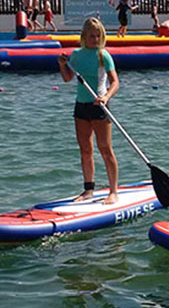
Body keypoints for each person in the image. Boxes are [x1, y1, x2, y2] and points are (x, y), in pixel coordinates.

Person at [57, 17, 122, 205]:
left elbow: (115, 82)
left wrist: (106, 97)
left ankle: (113, 191)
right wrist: (62, 65)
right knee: (85, 150)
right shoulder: (76, 55)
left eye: (98, 36)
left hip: (99, 106)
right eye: (91, 36)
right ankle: (88, 190)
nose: (94, 39)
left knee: (105, 149)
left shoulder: (104, 55)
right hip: (81, 107)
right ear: (84, 36)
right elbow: (68, 78)